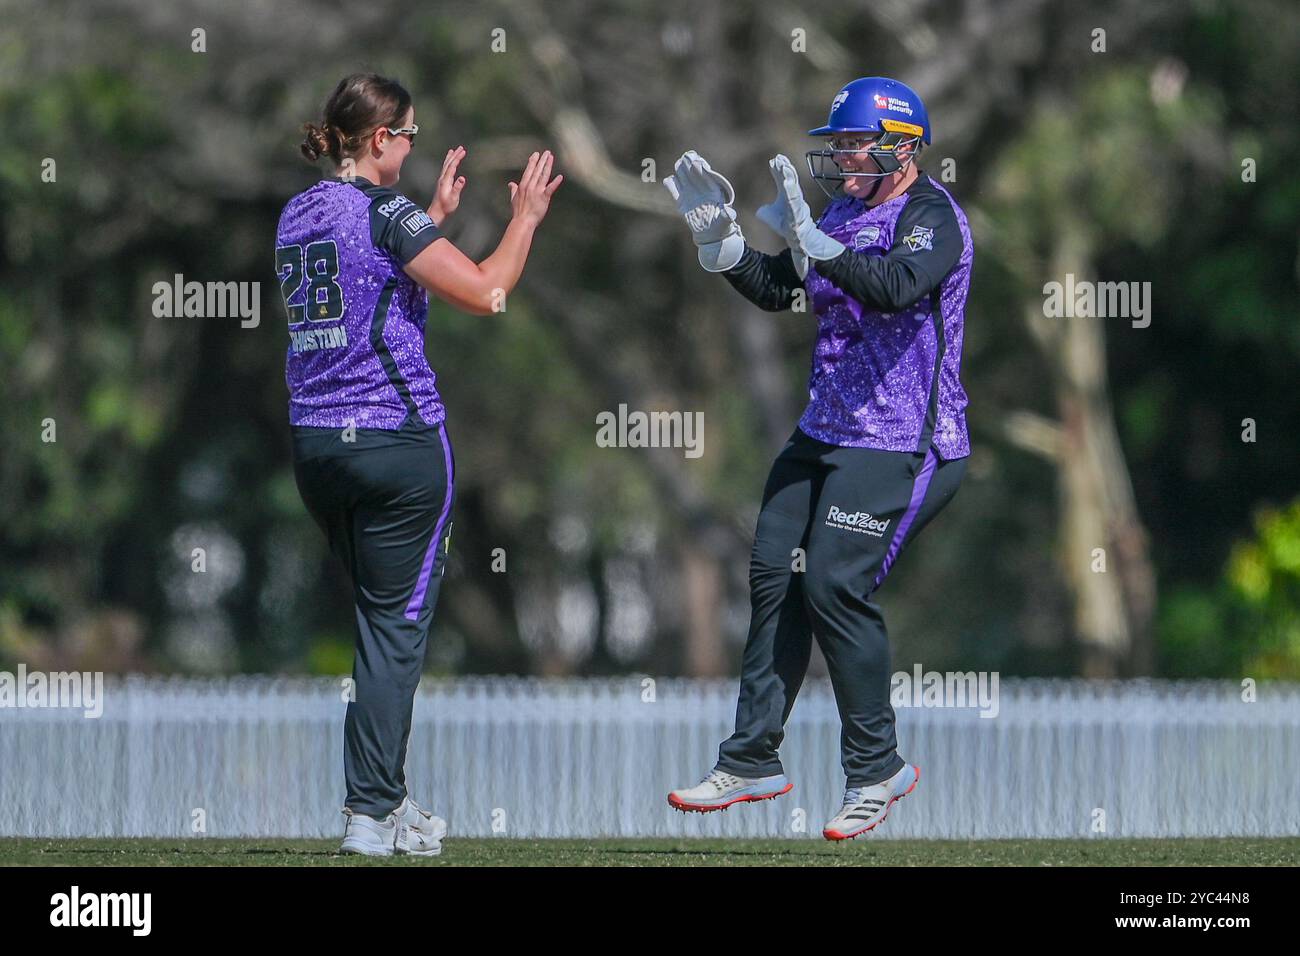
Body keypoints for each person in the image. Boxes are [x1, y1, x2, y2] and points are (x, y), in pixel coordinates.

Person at [664, 77, 971, 840]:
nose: (839, 156)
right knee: (774, 569)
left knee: (833, 580)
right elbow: (782, 289)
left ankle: (877, 770)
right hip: (825, 430)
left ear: (901, 146)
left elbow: (898, 287)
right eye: (834, 144)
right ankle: (751, 757)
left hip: (906, 440)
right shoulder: (839, 212)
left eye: (852, 143)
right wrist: (725, 245)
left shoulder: (933, 215)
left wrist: (823, 245)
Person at [276, 72, 562, 856]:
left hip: (316, 448)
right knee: (393, 635)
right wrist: (525, 219)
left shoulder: (298, 212)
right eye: (406, 134)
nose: (411, 145)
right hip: (397, 447)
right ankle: (370, 814)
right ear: (379, 141)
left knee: (377, 626)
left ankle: (391, 802)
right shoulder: (384, 211)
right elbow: (488, 292)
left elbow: (373, 285)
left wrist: (429, 221)